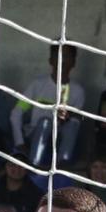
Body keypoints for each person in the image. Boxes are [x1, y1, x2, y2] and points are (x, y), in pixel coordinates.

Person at [12, 42, 86, 172]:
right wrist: (20, 143)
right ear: (51, 60)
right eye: (58, 56)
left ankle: (62, 165)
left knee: (73, 124)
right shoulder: (37, 85)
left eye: (67, 57)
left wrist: (68, 115)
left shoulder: (78, 90)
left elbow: (78, 121)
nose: (62, 61)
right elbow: (16, 113)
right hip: (35, 134)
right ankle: (34, 165)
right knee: (46, 122)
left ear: (74, 62)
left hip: (60, 139)